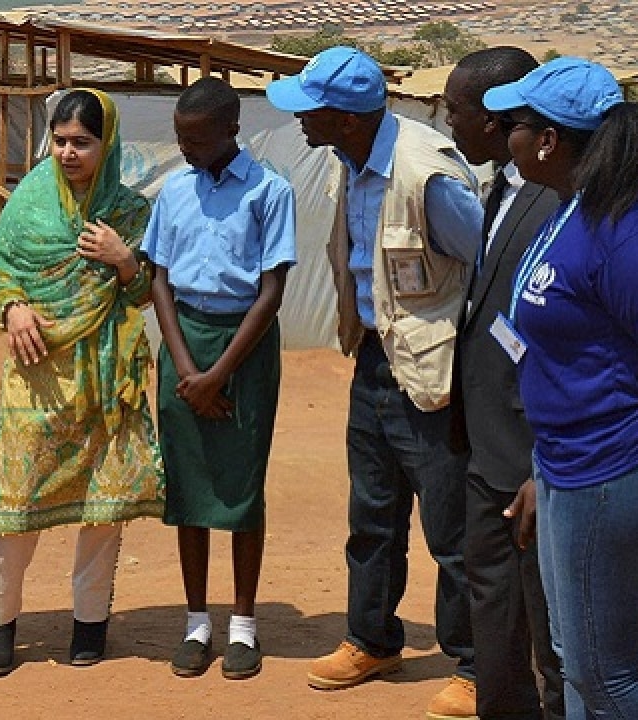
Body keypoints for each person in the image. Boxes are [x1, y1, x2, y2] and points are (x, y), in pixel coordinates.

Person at [483, 56, 638, 719]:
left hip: (621, 465)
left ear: (549, 141)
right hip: (567, 463)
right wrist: (543, 469)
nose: (505, 135)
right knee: (578, 661)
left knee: (608, 675)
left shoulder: (622, 234)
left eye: (514, 124)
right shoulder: (569, 211)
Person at [267, 46, 481, 719]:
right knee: (374, 515)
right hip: (374, 363)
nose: (299, 122)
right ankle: (372, 639)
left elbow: (489, 271)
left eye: (309, 110)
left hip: (436, 376)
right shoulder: (348, 162)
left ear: (346, 117)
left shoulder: (427, 174)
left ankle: (477, 665)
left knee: (453, 529)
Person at [0, 88, 164, 677]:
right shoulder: (29, 200)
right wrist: (13, 309)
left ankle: (90, 626)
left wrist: (123, 258)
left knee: (103, 512)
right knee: (16, 503)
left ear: (107, 145)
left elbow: (145, 293)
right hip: (38, 381)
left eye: (82, 142)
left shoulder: (130, 213)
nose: (68, 153)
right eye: (59, 141)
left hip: (107, 382)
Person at [142, 77, 296, 681]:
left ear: (231, 130)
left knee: (240, 486)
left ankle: (244, 627)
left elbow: (272, 291)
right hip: (184, 345)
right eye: (180, 137)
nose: (184, 148)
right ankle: (196, 623)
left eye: (196, 138)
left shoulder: (269, 191)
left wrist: (219, 374)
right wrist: (186, 369)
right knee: (189, 487)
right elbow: (157, 278)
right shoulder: (175, 191)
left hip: (245, 349)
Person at [443, 47, 565, 720]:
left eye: (457, 110)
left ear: (496, 120)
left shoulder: (557, 202)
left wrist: (542, 459)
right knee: (495, 617)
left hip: (534, 453)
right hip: (487, 446)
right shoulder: (499, 187)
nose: (448, 121)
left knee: (550, 632)